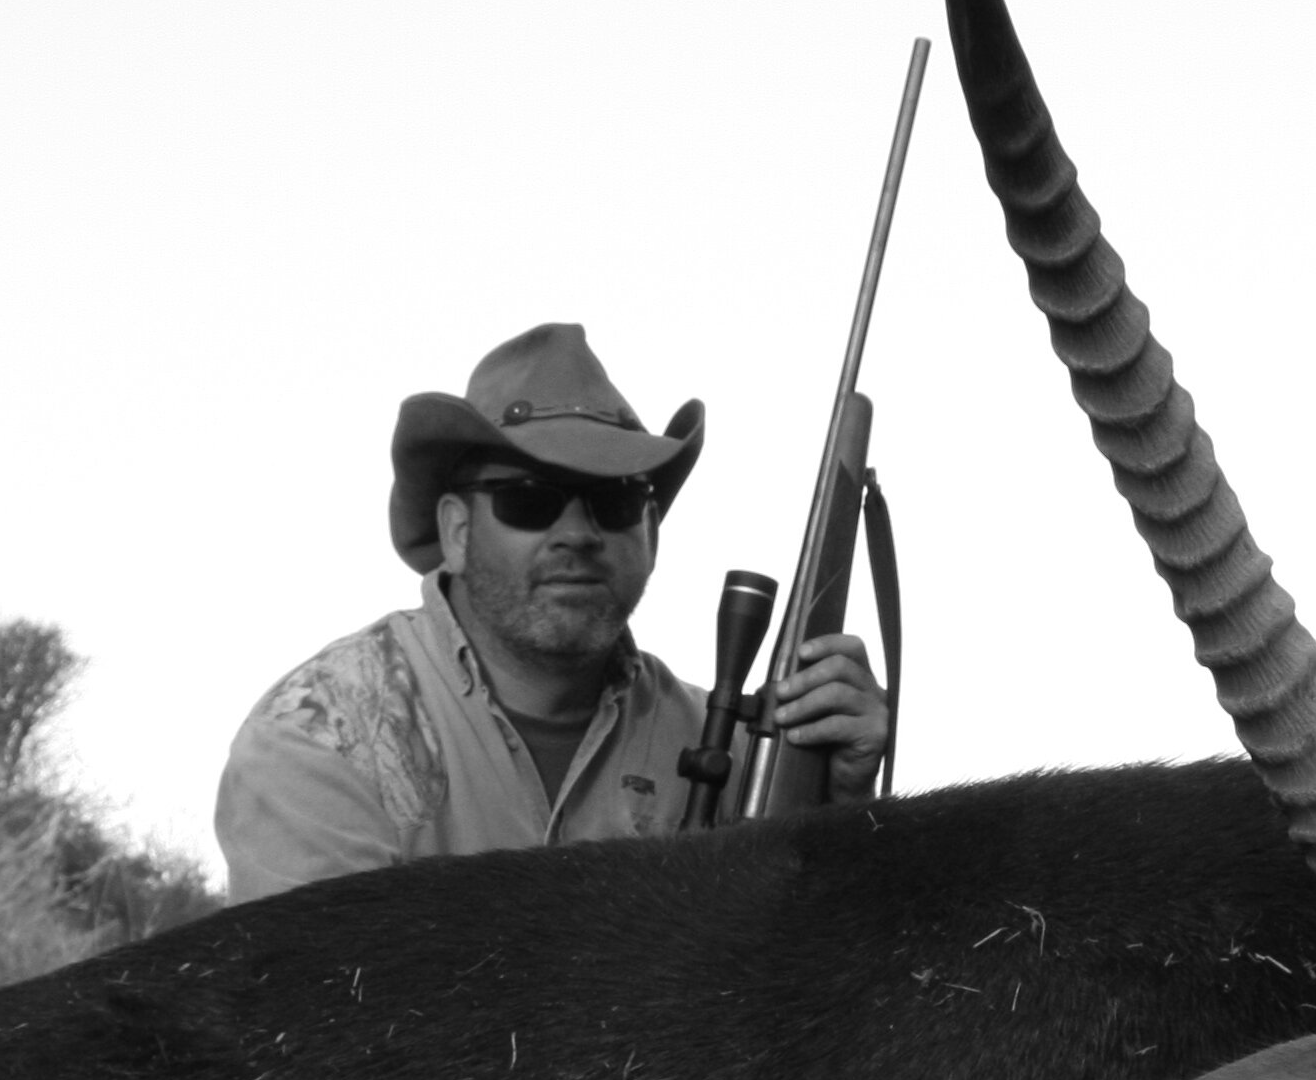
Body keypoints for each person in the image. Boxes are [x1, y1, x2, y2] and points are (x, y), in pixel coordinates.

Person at [215, 323, 890, 899]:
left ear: (650, 532)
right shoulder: (316, 739)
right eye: (530, 499)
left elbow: (814, 983)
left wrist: (843, 806)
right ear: (456, 531)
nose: (577, 534)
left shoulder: (745, 757)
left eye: (615, 501)